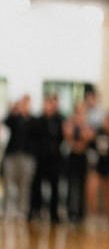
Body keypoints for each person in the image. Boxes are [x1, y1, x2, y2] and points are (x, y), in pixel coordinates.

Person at [30, 94, 64, 223]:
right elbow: (33, 138)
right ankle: (36, 211)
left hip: (54, 159)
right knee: (37, 185)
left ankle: (53, 213)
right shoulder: (38, 120)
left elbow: (62, 137)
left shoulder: (59, 120)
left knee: (54, 186)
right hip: (40, 158)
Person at [2, 95, 36, 221]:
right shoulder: (14, 118)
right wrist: (14, 110)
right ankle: (8, 209)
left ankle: (22, 210)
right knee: (9, 183)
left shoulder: (33, 120)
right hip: (12, 155)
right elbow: (5, 121)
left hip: (27, 156)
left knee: (24, 185)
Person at [86, 113, 109, 230]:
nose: (106, 124)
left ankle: (107, 218)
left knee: (108, 194)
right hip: (98, 168)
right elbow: (90, 147)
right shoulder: (98, 134)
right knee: (92, 190)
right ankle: (93, 216)